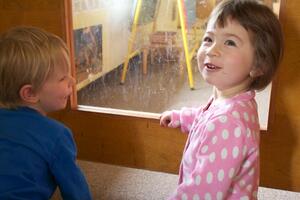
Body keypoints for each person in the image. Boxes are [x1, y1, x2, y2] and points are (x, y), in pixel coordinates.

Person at [160, 0, 283, 199]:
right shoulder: (234, 101)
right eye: (208, 39)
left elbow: (200, 193)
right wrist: (182, 117)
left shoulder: (228, 123)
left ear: (259, 65)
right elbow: (205, 116)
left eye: (230, 42)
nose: (212, 50)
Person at [0, 26, 92, 199]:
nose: (72, 80)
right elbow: (75, 189)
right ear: (30, 93)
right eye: (62, 78)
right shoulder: (56, 135)